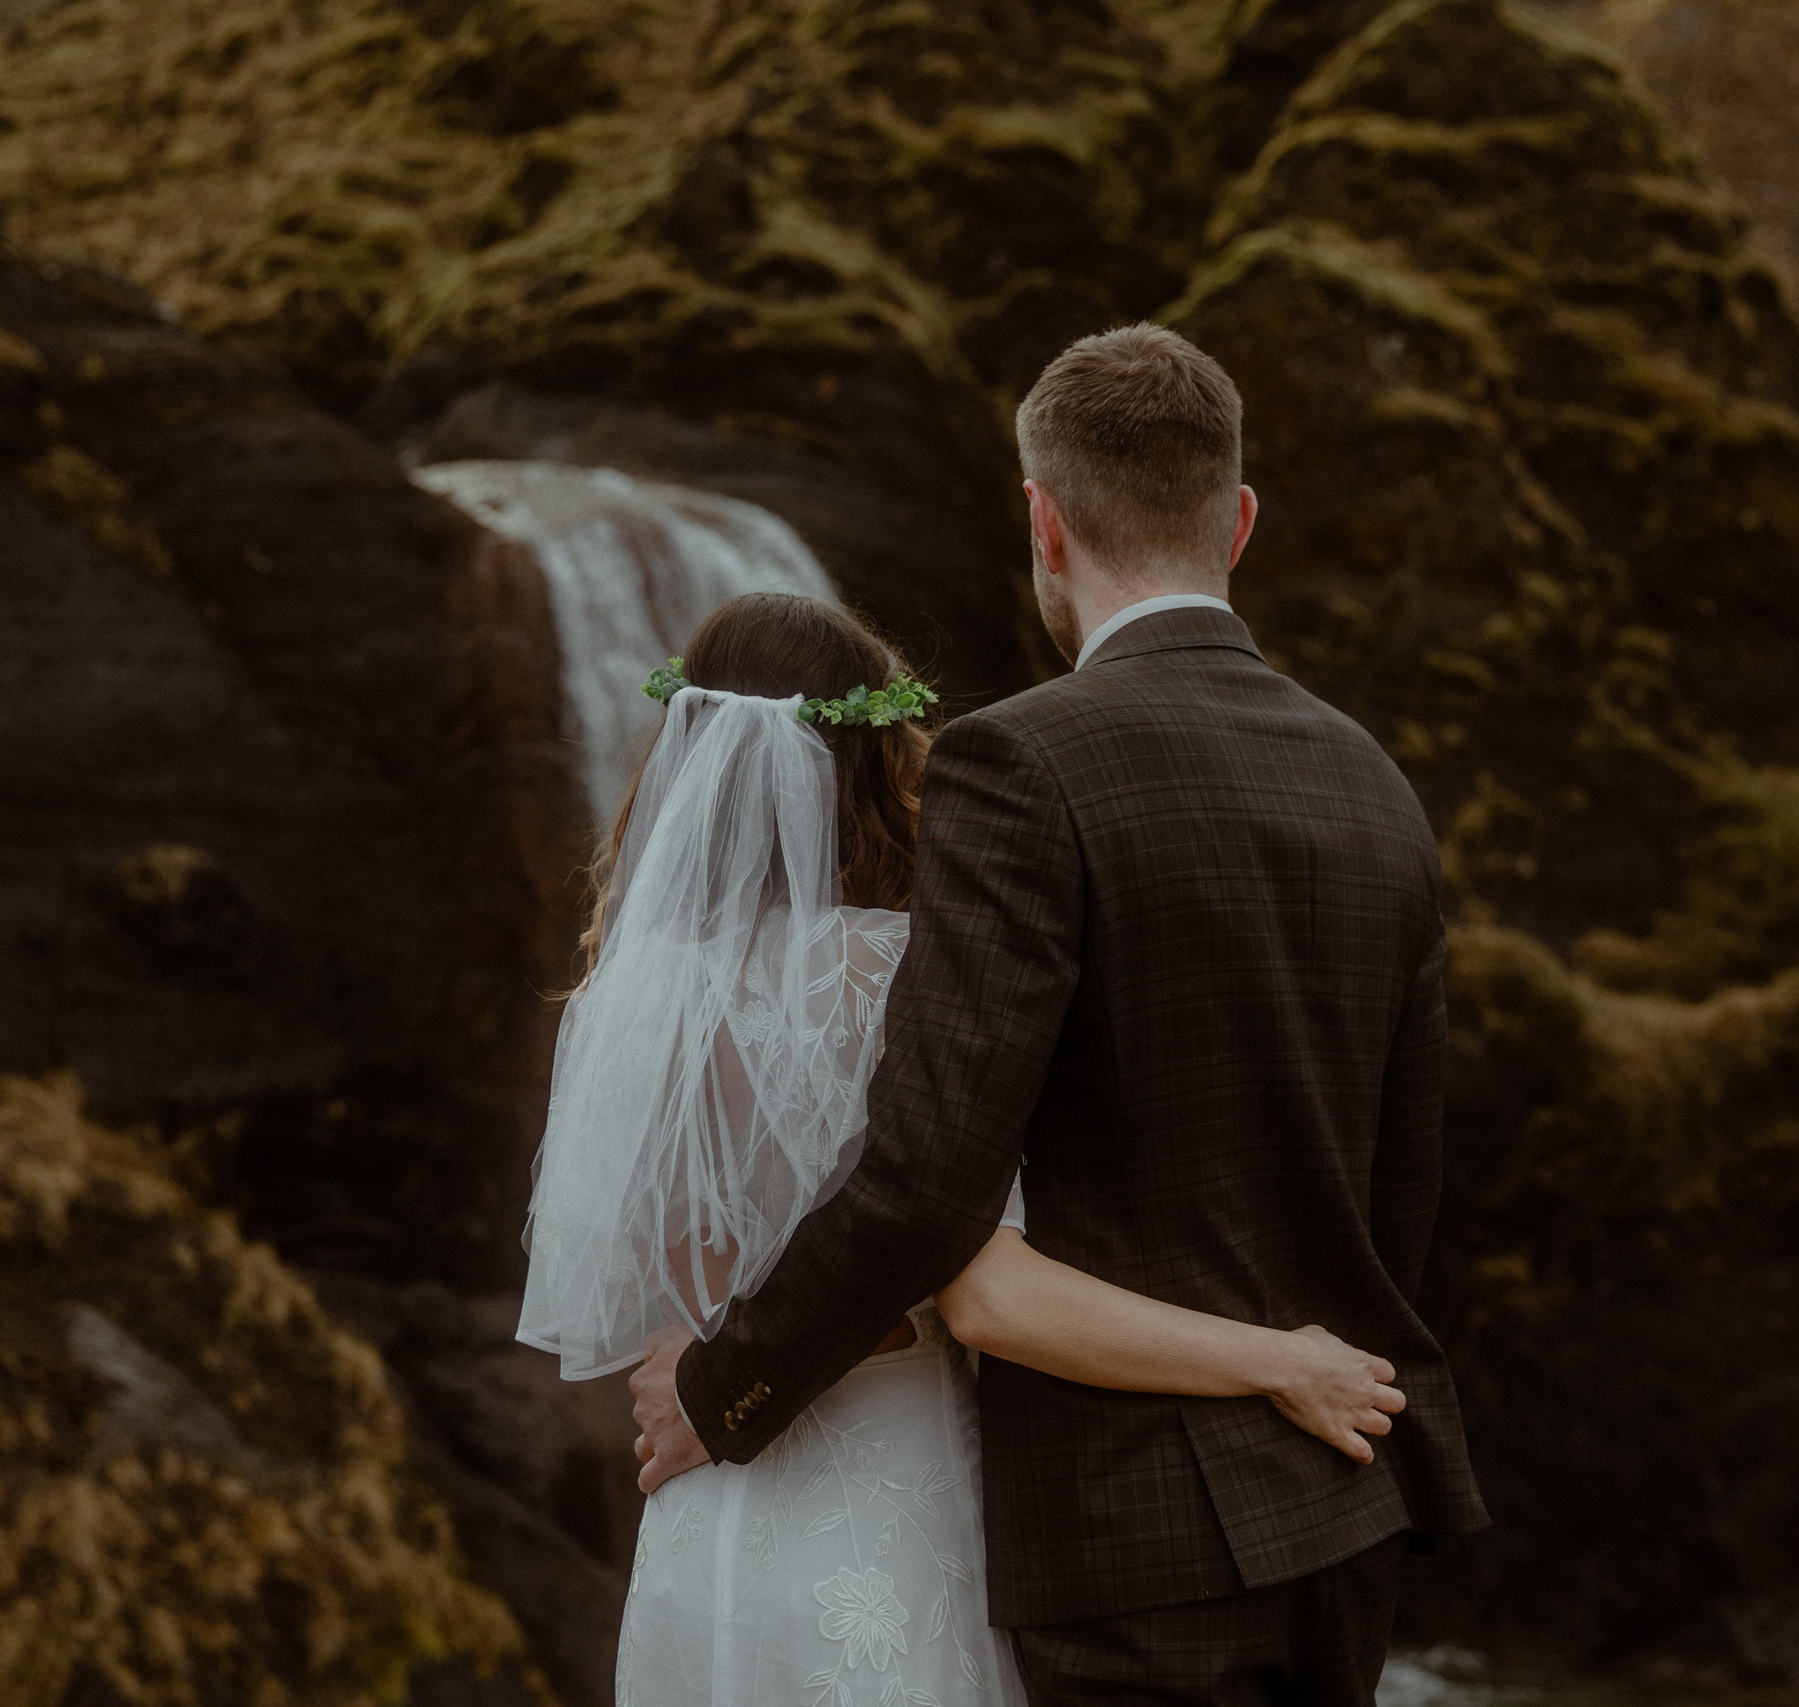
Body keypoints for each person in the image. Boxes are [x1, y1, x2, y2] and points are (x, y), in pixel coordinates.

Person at [631, 324, 1490, 1705]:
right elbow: (1399, 1185)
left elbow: (923, 1179)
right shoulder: (1370, 780)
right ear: (1241, 519)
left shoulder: (1021, 761)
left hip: (1130, 1538)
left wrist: (726, 1381)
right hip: (1341, 1506)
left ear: (1044, 518)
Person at [518, 589, 1410, 1707]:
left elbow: (670, 1269)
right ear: (871, 757)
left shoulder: (622, 995)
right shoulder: (884, 974)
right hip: (887, 1516)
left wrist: (716, 1383)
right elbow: (985, 1291)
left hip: (704, 1528)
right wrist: (1282, 1361)